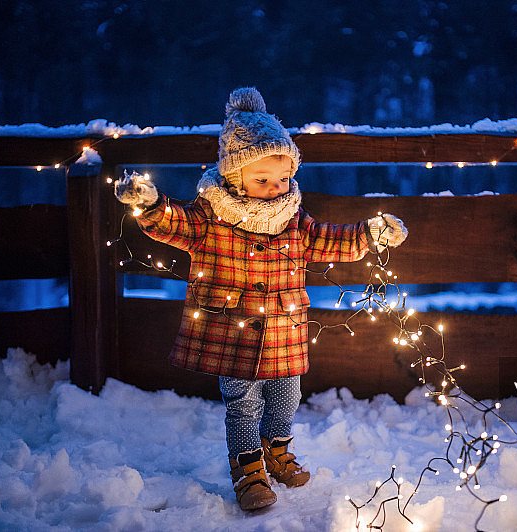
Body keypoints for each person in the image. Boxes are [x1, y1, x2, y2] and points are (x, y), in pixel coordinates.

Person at [114, 87, 407, 511]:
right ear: (235, 176)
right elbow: (172, 223)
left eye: (284, 178)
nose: (276, 188)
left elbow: (328, 240)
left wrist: (368, 234)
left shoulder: (293, 220)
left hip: (284, 327)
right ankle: (248, 469)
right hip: (233, 329)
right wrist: (150, 204)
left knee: (287, 397)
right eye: (263, 180)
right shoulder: (210, 219)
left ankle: (277, 449)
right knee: (243, 403)